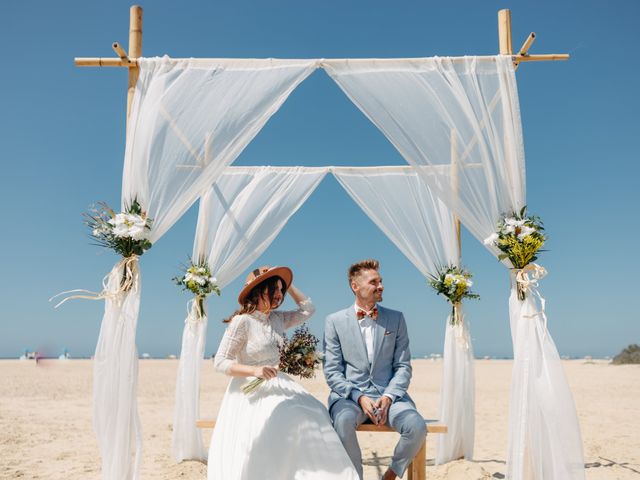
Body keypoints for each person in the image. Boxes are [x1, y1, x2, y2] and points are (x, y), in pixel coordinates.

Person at [208, 265, 359, 480]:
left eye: (282, 290)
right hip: (250, 391)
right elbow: (220, 361)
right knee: (289, 419)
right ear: (258, 290)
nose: (280, 295)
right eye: (274, 289)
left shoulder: (278, 318)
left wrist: (287, 285)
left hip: (280, 382)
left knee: (314, 413)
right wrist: (255, 370)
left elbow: (308, 309)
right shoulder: (242, 321)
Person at [323, 259, 426, 480]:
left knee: (416, 426)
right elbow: (332, 372)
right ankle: (355, 476)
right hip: (350, 398)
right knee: (342, 421)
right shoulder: (334, 321)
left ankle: (391, 474)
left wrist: (389, 396)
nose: (381, 286)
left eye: (381, 281)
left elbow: (403, 366)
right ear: (355, 287)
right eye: (373, 282)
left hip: (390, 398)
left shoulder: (396, 318)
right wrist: (358, 397)